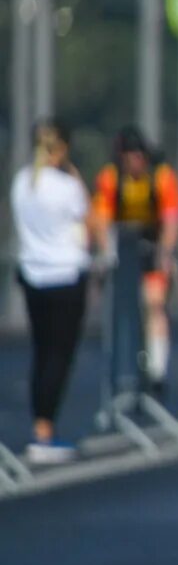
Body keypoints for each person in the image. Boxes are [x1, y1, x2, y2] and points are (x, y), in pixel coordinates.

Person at [10, 120, 95, 465]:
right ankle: (46, 432)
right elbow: (90, 221)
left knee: (42, 353)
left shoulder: (22, 183)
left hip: (33, 274)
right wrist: (75, 177)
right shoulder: (65, 187)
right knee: (60, 356)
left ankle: (40, 427)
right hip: (66, 275)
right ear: (61, 150)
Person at [91, 127, 178, 400]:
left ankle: (157, 370)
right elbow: (100, 218)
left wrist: (165, 253)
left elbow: (171, 219)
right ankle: (121, 366)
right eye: (130, 157)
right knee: (121, 308)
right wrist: (107, 252)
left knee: (154, 303)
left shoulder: (162, 177)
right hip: (122, 245)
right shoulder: (110, 179)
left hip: (151, 245)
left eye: (139, 156)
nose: (135, 163)